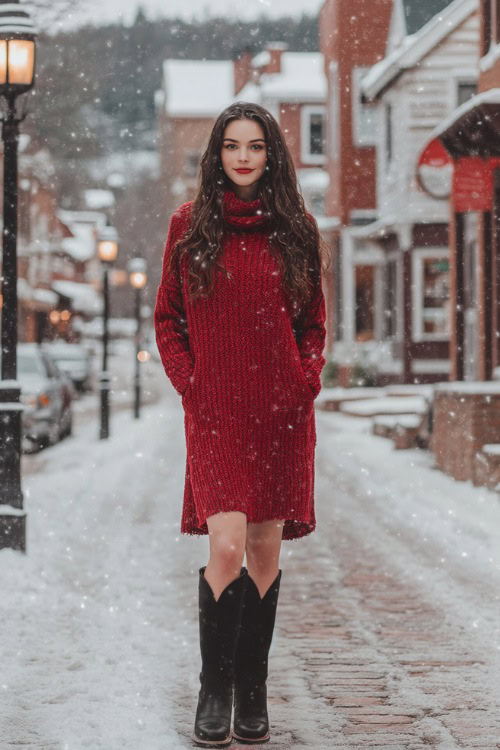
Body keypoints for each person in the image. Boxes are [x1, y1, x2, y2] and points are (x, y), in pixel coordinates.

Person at [154, 101, 329, 748]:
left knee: (262, 553)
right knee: (224, 547)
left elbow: (313, 324)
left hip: (280, 412)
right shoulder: (188, 227)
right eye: (232, 145)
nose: (244, 157)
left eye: (256, 146)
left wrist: (304, 380)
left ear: (271, 155)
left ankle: (251, 689)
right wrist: (190, 383)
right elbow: (167, 319)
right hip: (217, 411)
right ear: (218, 154)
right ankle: (214, 686)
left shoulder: (297, 230)